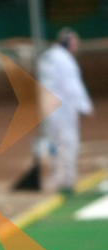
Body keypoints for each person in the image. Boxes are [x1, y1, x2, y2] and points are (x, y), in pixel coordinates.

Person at [38, 28, 94, 194]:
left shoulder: (47, 57)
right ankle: (67, 182)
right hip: (63, 110)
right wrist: (85, 107)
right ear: (67, 44)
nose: (76, 47)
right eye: (75, 43)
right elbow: (72, 87)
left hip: (48, 109)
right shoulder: (65, 60)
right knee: (68, 145)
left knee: (55, 145)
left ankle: (57, 179)